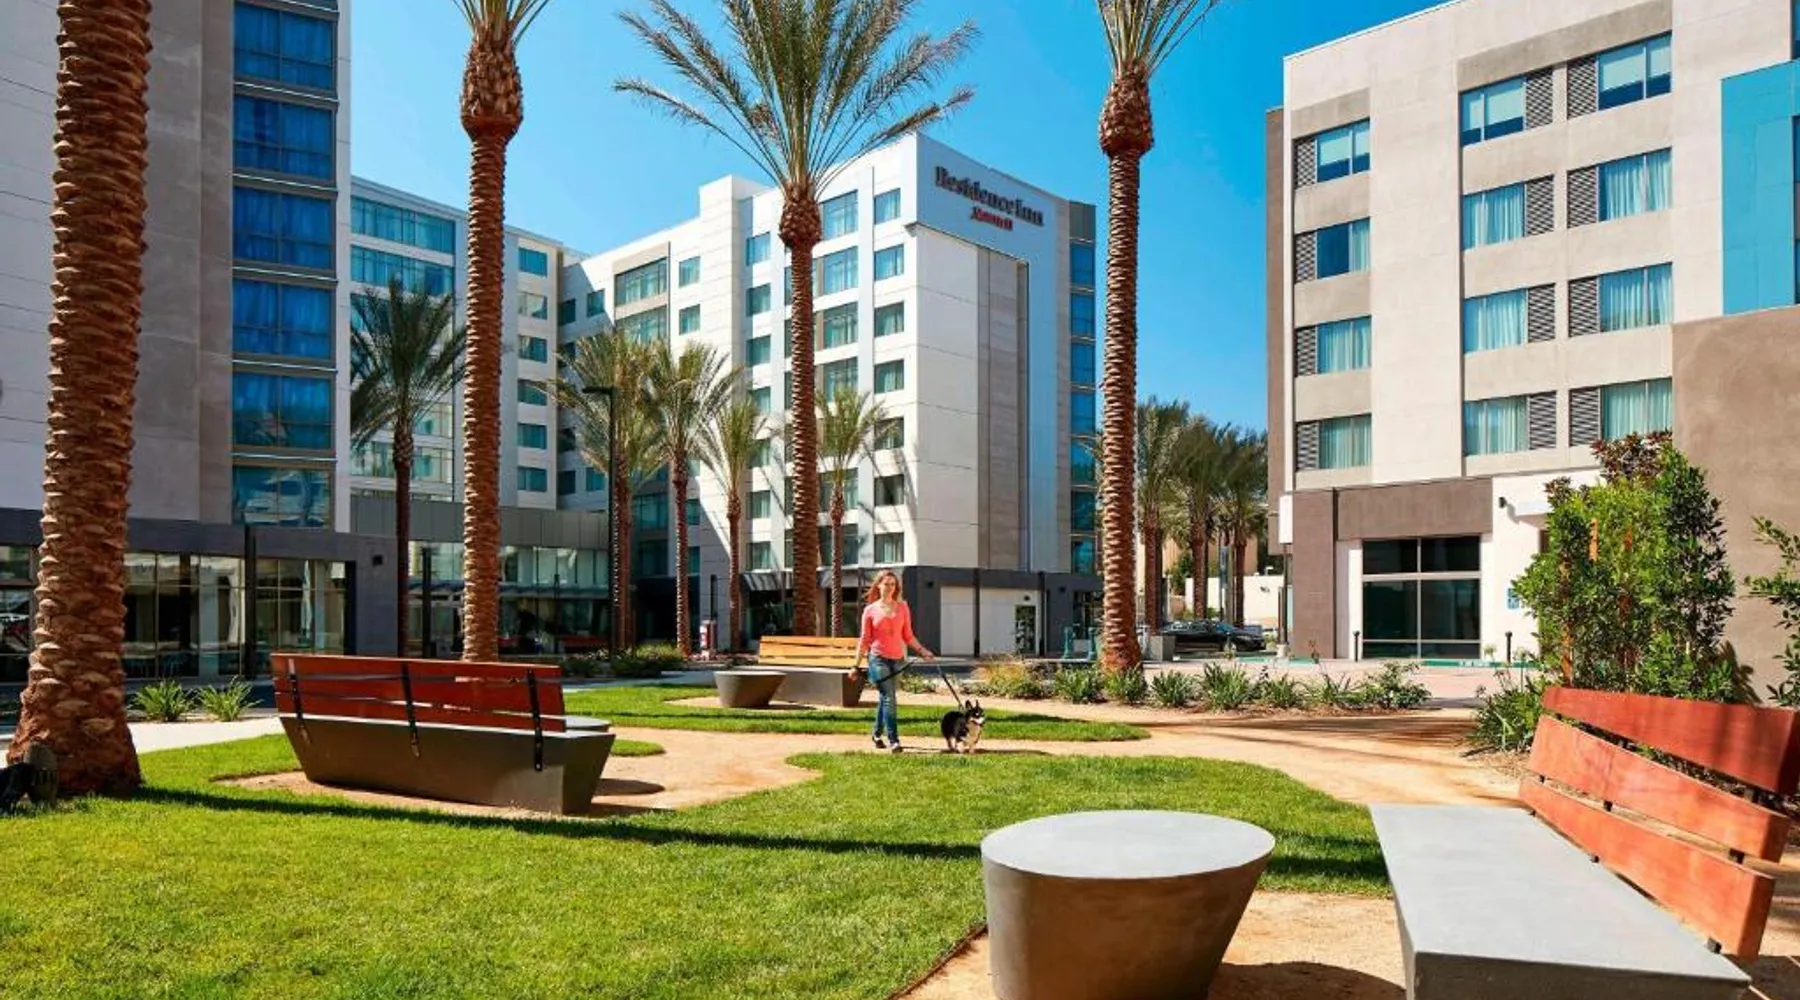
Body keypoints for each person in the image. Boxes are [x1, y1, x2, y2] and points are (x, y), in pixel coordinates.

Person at [855, 570, 934, 752]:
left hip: (898, 660)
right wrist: (855, 665)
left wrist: (923, 651)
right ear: (878, 586)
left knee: (886, 698)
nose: (890, 587)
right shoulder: (870, 610)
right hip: (878, 659)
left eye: (893, 584)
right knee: (890, 698)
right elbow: (864, 639)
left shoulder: (903, 608)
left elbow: (908, 635)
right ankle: (894, 740)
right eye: (886, 584)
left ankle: (876, 734)